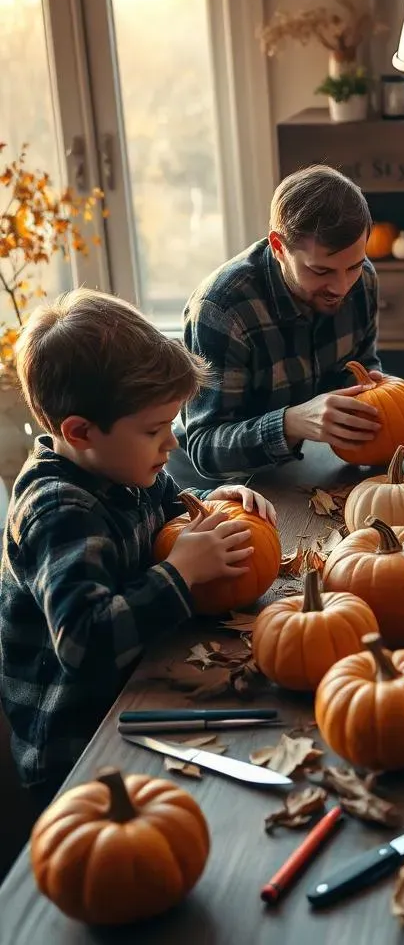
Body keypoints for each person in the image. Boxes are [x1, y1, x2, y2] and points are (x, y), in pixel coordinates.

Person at [0, 289, 277, 805]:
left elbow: (167, 510)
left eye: (171, 423)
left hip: (141, 686)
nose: (170, 442)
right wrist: (178, 574)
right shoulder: (58, 512)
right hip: (81, 745)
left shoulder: (123, 463)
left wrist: (208, 503)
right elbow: (86, 642)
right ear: (80, 432)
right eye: (155, 429)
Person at [178, 164, 384, 478]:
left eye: (353, 266)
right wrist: (291, 423)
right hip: (230, 485)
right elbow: (205, 447)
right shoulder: (221, 309)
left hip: (317, 467)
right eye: (321, 271)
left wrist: (376, 395)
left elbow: (362, 364)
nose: (342, 287)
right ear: (278, 247)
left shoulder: (363, 279)